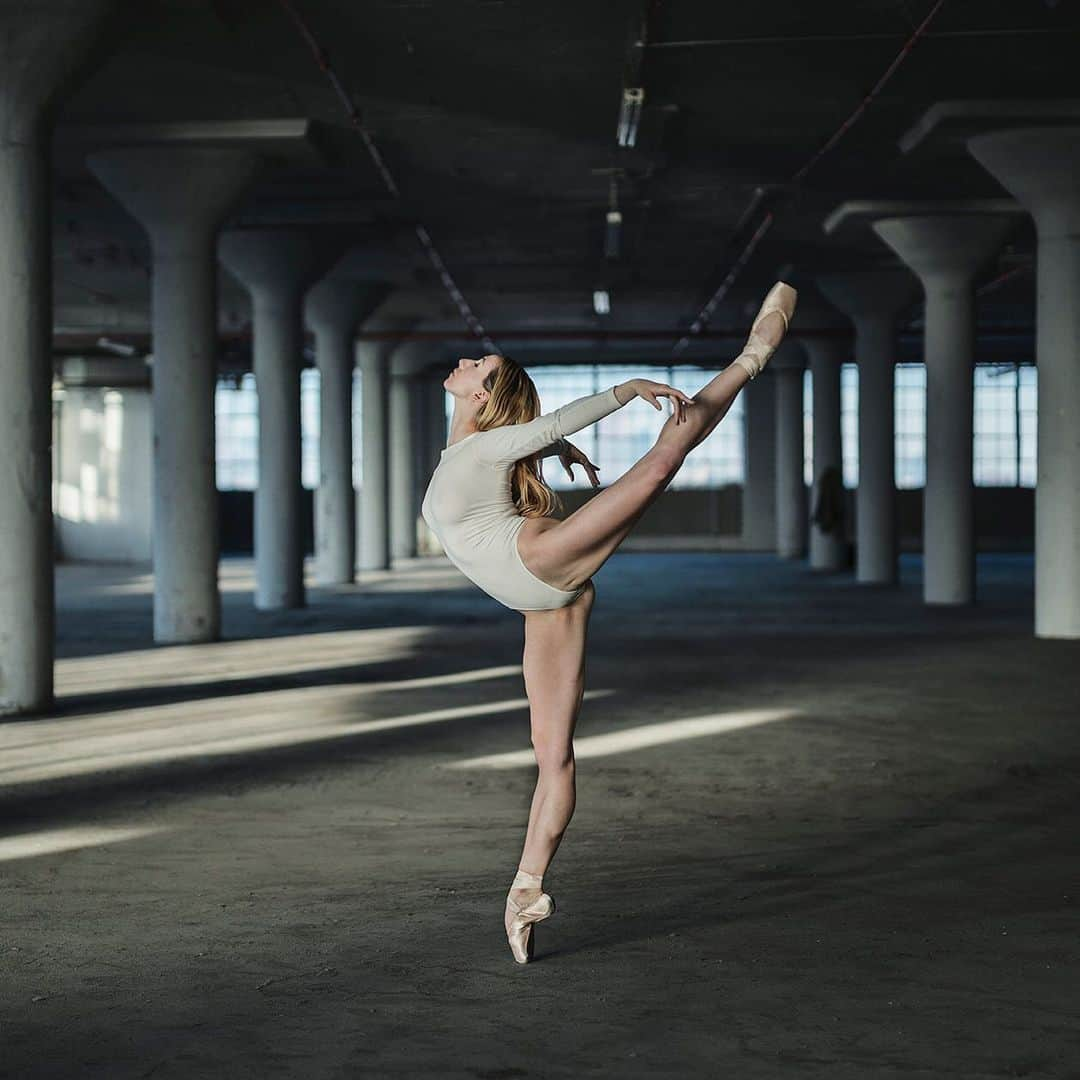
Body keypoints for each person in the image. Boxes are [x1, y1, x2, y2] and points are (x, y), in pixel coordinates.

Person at [420, 281, 798, 963]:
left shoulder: (486, 447)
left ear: (479, 395)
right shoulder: (476, 451)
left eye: (479, 364)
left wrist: (624, 390)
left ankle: (752, 357)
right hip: (544, 603)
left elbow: (551, 424)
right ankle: (526, 892)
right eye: (477, 361)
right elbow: (521, 447)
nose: (467, 362)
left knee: (657, 466)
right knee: (553, 755)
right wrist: (548, 455)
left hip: (536, 561)